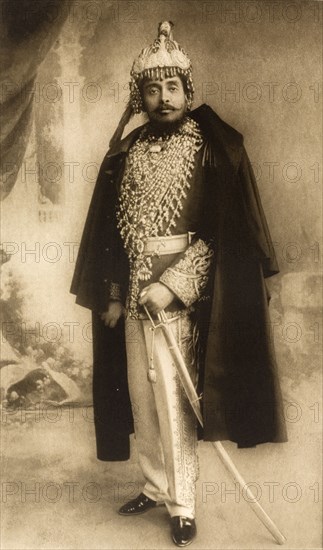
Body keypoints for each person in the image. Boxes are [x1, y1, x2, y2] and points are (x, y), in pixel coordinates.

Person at [71, 21, 287, 547]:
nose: (162, 97)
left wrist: (172, 286)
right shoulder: (126, 152)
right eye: (152, 88)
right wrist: (117, 294)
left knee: (174, 402)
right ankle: (154, 482)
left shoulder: (212, 150)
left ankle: (184, 504)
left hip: (181, 299)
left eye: (172, 87)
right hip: (133, 290)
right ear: (138, 96)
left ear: (188, 92)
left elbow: (225, 233)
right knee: (142, 400)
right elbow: (111, 233)